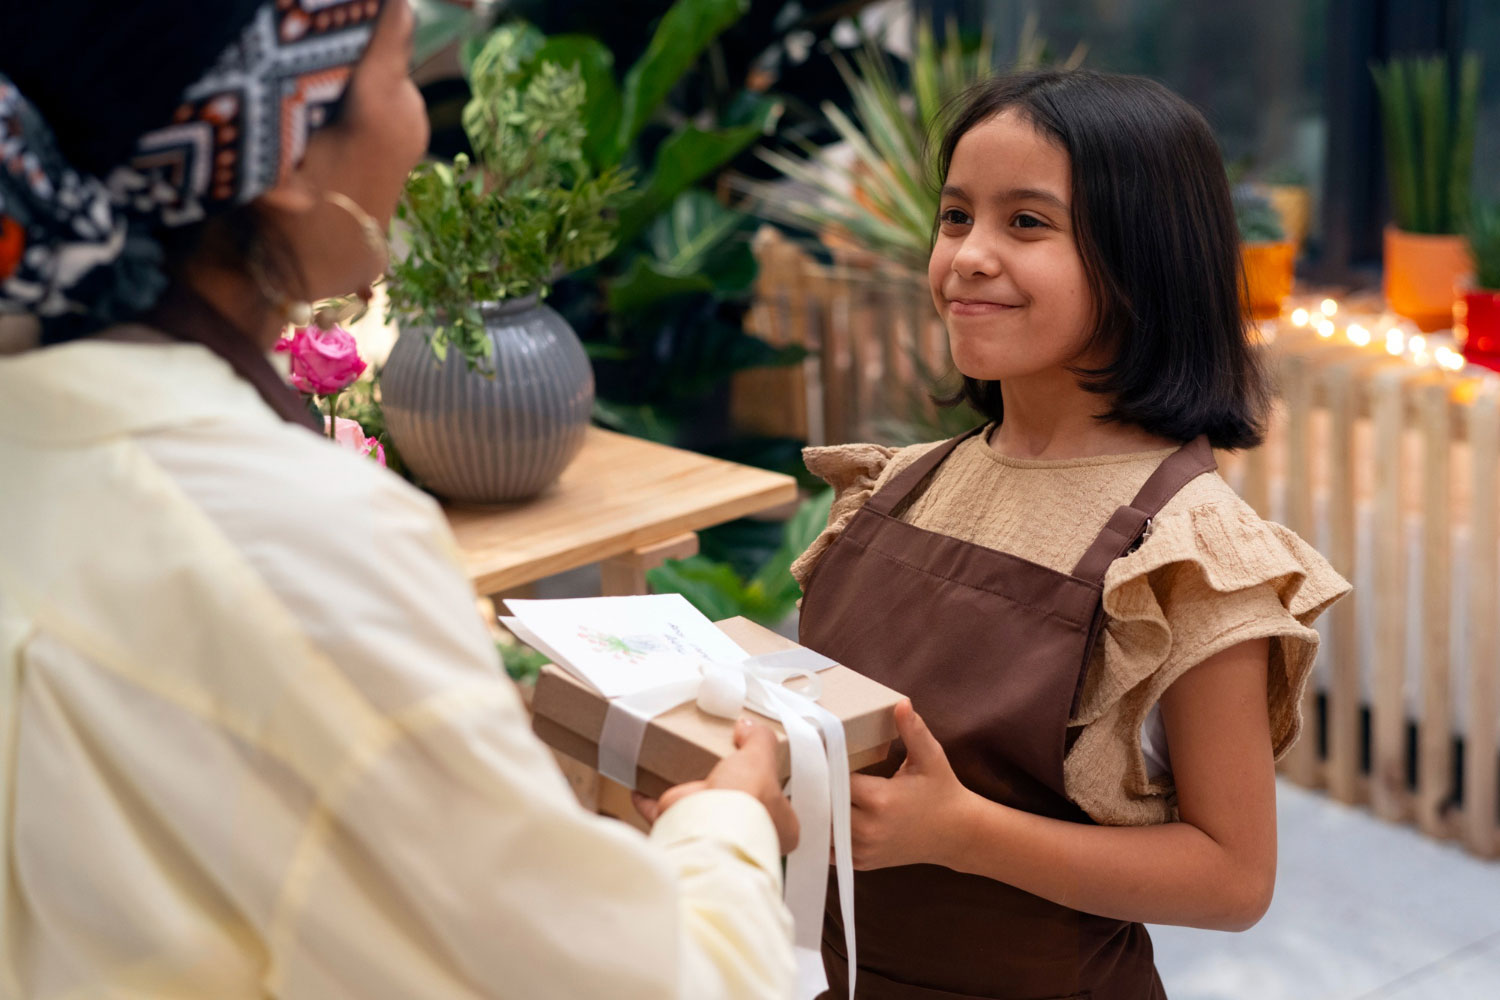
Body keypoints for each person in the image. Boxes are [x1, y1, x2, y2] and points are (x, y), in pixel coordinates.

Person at [0, 2, 800, 998]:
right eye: (400, 73)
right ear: (288, 148)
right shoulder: (296, 542)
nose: (422, 128)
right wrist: (730, 823)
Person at [790, 70, 1351, 999]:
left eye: (1026, 222)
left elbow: (1234, 879)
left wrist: (961, 834)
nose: (968, 256)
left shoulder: (1188, 553)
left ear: (1144, 260)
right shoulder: (904, 486)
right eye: (956, 216)